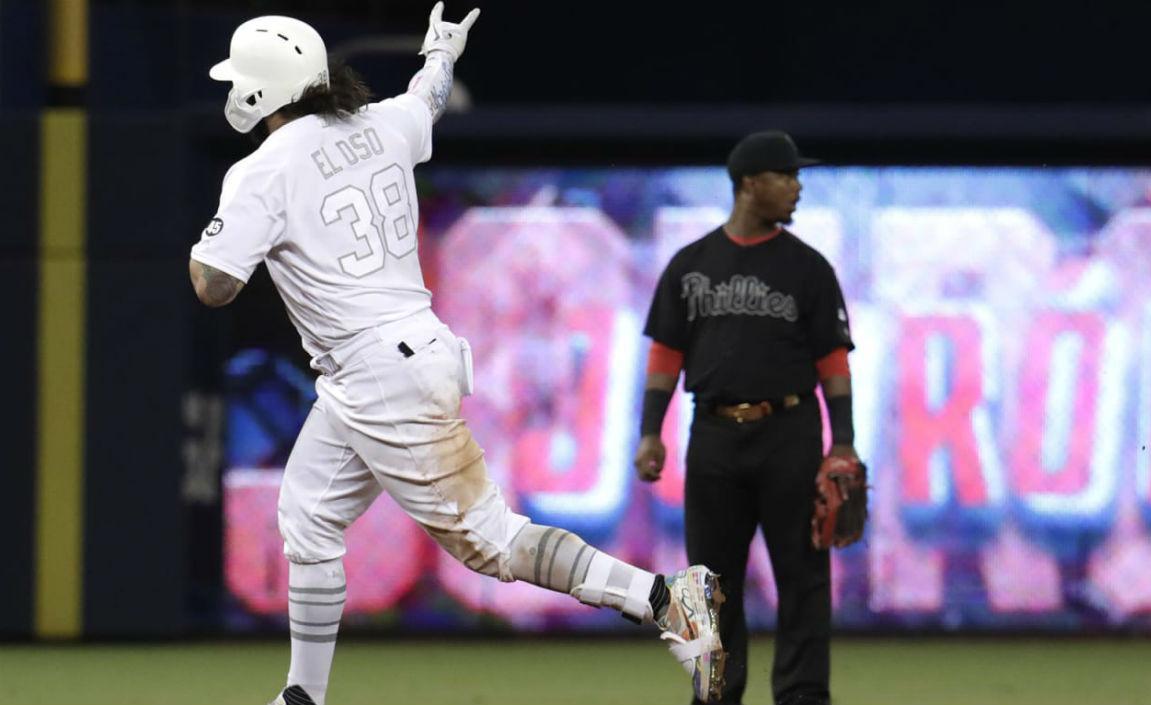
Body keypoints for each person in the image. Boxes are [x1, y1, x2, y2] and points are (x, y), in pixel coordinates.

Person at [189, 6, 725, 704]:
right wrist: (440, 54)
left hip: (379, 372)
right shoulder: (377, 123)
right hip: (396, 358)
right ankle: (302, 695)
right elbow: (426, 101)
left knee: (493, 543)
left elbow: (214, 286)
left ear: (261, 88)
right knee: (307, 518)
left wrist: (212, 241)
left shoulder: (264, 169)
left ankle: (663, 596)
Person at [634, 130, 859, 705]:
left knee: (803, 578)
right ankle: (715, 695)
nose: (797, 187)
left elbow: (832, 361)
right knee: (708, 585)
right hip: (712, 434)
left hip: (790, 432)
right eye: (786, 175)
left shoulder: (807, 268)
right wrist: (649, 432)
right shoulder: (693, 264)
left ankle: (803, 696)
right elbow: (666, 356)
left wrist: (844, 443)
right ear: (750, 184)